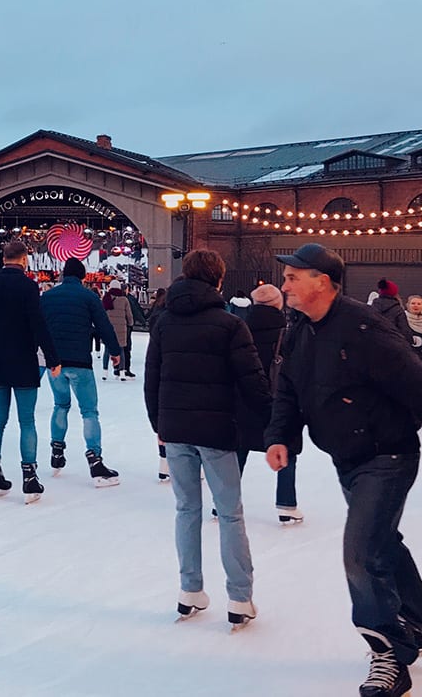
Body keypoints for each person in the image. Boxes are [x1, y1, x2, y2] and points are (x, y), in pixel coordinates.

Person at [266, 243, 422, 697]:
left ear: (323, 282)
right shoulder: (300, 328)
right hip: (348, 455)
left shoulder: (366, 330)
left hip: (388, 454)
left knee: (361, 555)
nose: (285, 284)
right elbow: (289, 389)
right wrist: (280, 435)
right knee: (382, 543)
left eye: (293, 277)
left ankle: (390, 657)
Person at [144, 249, 270, 629]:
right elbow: (253, 381)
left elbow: (152, 377)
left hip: (177, 429)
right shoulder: (230, 325)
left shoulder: (164, 322)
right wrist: (272, 421)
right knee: (230, 513)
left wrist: (159, 425)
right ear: (219, 280)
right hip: (217, 431)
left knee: (186, 510)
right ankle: (240, 596)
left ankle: (189, 589)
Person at [0, 240, 61, 503]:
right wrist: (52, 358)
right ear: (24, 259)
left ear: (4, 258)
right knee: (27, 421)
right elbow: (38, 324)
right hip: (23, 360)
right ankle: (29, 479)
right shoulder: (28, 287)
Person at [41, 258, 123, 486]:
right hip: (80, 361)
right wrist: (115, 351)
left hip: (55, 362)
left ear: (62, 275)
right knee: (89, 411)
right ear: (83, 276)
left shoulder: (47, 297)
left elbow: (38, 326)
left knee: (60, 405)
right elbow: (104, 325)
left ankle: (57, 451)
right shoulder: (89, 297)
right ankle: (95, 460)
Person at [242, 283, 303, 523]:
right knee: (285, 446)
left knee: (238, 450)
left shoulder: (240, 330)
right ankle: (286, 504)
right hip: (280, 400)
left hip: (245, 400)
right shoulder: (289, 333)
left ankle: (223, 503)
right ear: (279, 304)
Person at [101, 280, 135, 380]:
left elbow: (102, 313)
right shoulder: (124, 299)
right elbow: (129, 315)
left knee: (107, 350)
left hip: (109, 328)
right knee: (121, 350)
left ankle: (105, 372)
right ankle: (122, 373)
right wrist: (130, 323)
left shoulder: (106, 298)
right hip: (121, 328)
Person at [405, 295, 422, 366]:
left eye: (419, 304)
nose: (416, 306)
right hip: (405, 358)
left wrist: (420, 341)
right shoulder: (402, 320)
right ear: (407, 305)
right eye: (413, 303)